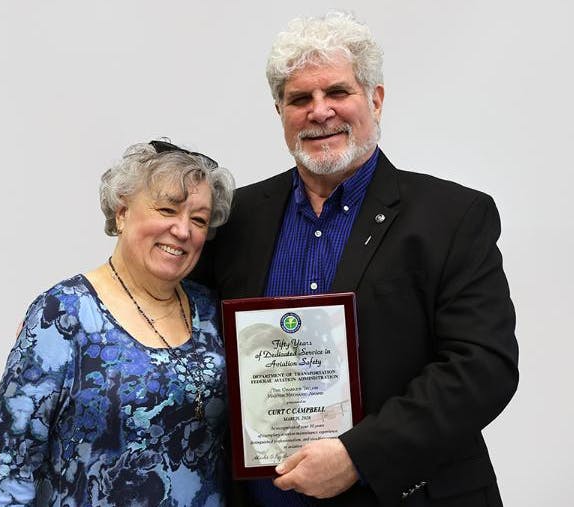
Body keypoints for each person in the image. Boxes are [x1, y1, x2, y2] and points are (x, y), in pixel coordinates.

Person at [191, 12, 519, 507]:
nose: (320, 112)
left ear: (375, 99)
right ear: (279, 111)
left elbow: (482, 368)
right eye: (300, 98)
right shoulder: (234, 220)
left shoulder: (453, 216)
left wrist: (358, 456)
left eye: (337, 93)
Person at [0, 140, 236, 506]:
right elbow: (5, 467)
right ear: (122, 212)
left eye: (198, 220)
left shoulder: (212, 313)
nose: (182, 230)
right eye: (167, 209)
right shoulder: (62, 314)